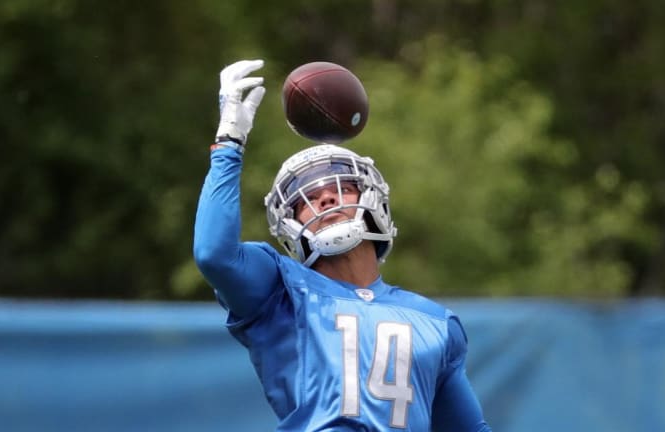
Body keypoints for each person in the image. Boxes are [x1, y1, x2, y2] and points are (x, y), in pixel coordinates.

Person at [194, 59, 491, 432]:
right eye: (306, 200)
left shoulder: (436, 323)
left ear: (373, 200)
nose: (326, 199)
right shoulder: (280, 290)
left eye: (342, 187)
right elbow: (214, 254)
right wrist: (229, 143)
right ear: (288, 225)